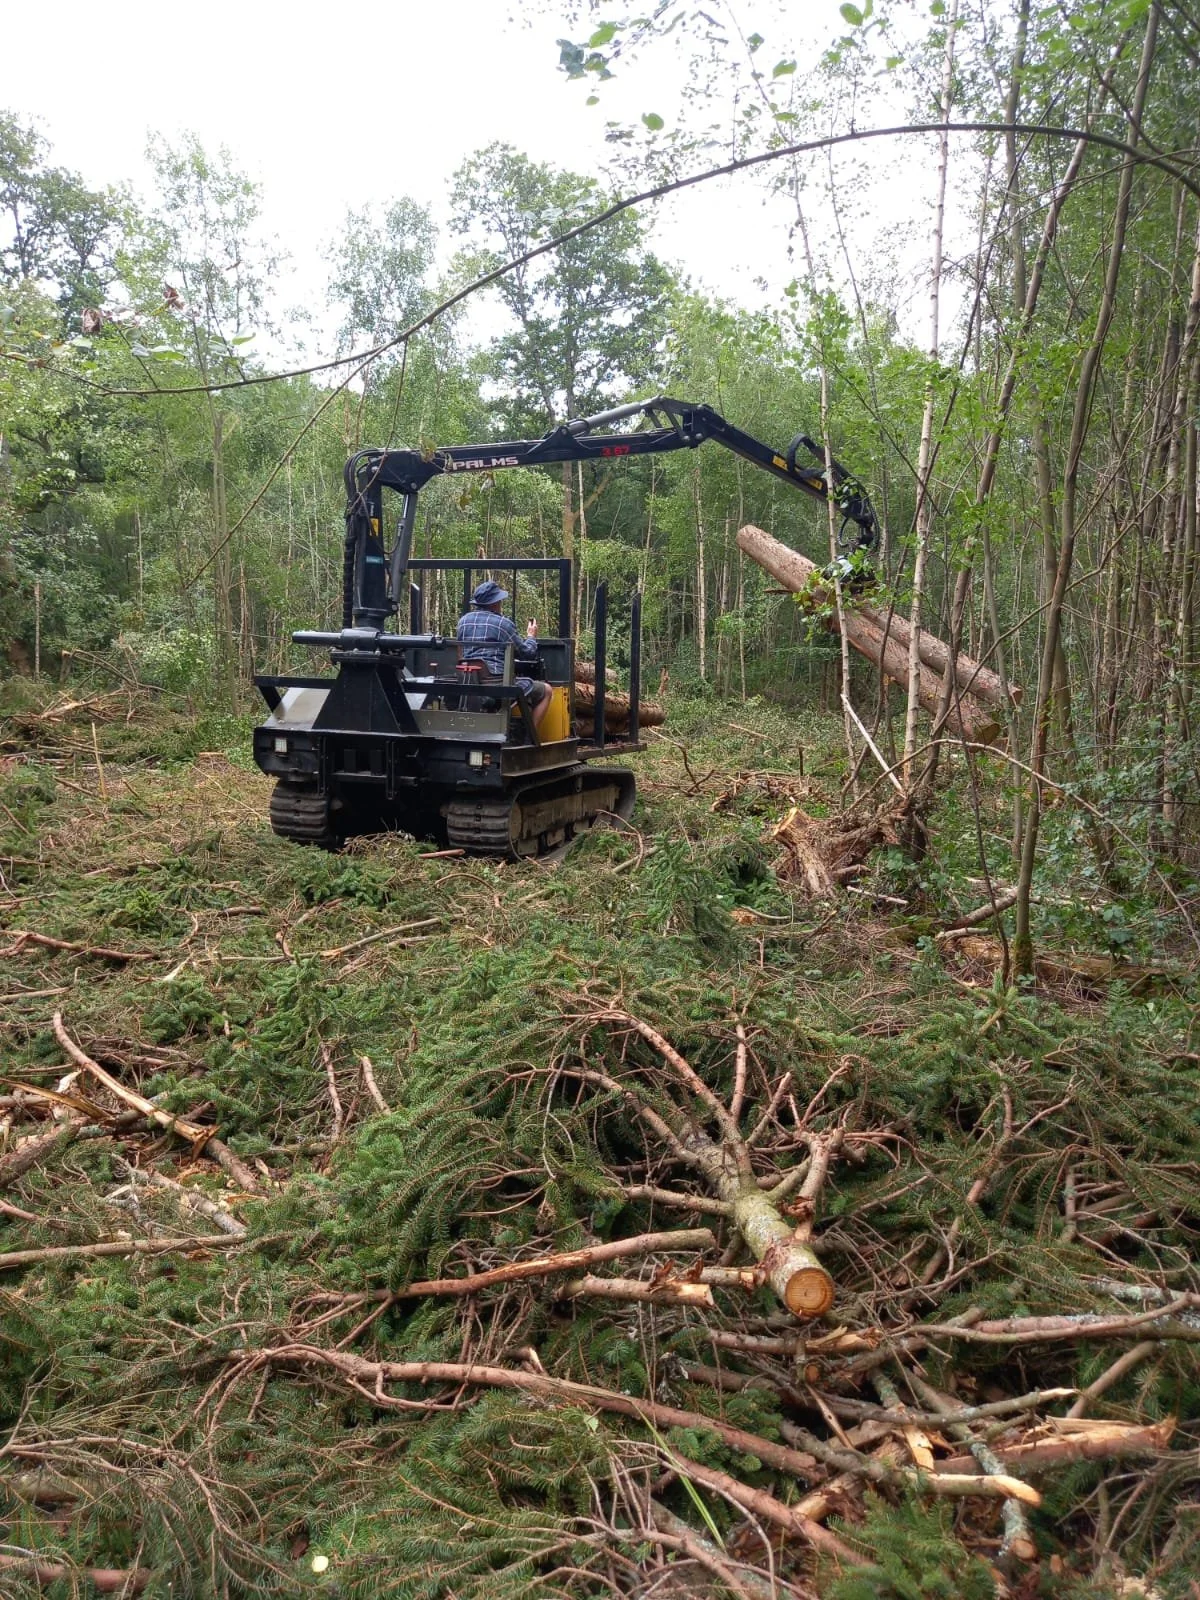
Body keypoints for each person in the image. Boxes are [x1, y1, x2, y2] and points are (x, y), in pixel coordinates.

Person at [456, 579, 552, 734]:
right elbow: (527, 653)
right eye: (499, 601)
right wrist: (531, 636)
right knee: (546, 690)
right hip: (498, 685)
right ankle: (530, 737)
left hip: (468, 682)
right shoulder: (503, 624)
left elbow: (460, 652)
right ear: (494, 603)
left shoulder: (463, 622)